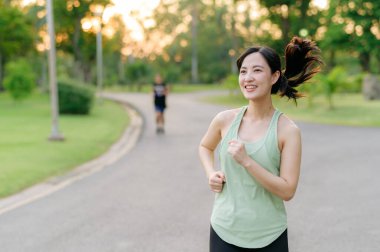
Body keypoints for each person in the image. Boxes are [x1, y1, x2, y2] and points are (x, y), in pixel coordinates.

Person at [198, 36, 322, 252]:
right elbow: (205, 147)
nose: (248, 77)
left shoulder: (287, 131)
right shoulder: (224, 120)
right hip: (224, 230)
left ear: (274, 76)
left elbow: (287, 190)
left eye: (256, 70)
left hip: (269, 236)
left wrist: (247, 161)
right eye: (243, 71)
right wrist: (211, 173)